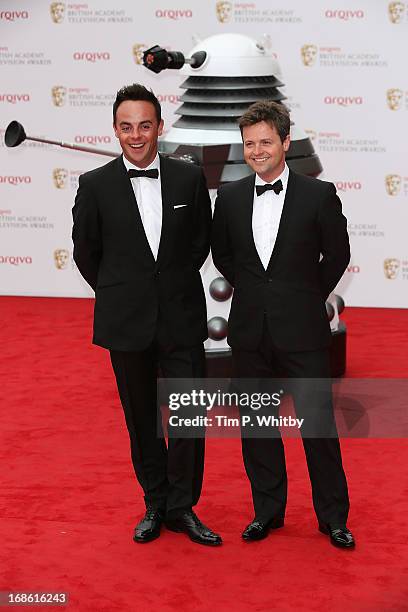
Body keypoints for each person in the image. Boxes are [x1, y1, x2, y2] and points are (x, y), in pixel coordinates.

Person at [72, 83, 221, 546]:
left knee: (189, 417)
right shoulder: (94, 186)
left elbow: (199, 244)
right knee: (141, 419)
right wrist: (124, 292)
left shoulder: (188, 178)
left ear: (160, 126)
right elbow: (86, 255)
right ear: (115, 130)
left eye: (144, 125)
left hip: (181, 317)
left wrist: (166, 289)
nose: (136, 135)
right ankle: (155, 503)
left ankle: (183, 506)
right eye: (126, 126)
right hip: (126, 321)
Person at [211, 100, 355, 549]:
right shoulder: (231, 196)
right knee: (256, 428)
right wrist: (258, 295)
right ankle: (267, 512)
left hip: (303, 331)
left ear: (285, 142)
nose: (257, 150)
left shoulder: (319, 194)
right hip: (251, 331)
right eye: (249, 143)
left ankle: (332, 517)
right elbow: (224, 255)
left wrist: (306, 296)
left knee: (317, 428)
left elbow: (338, 254)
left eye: (266, 141)